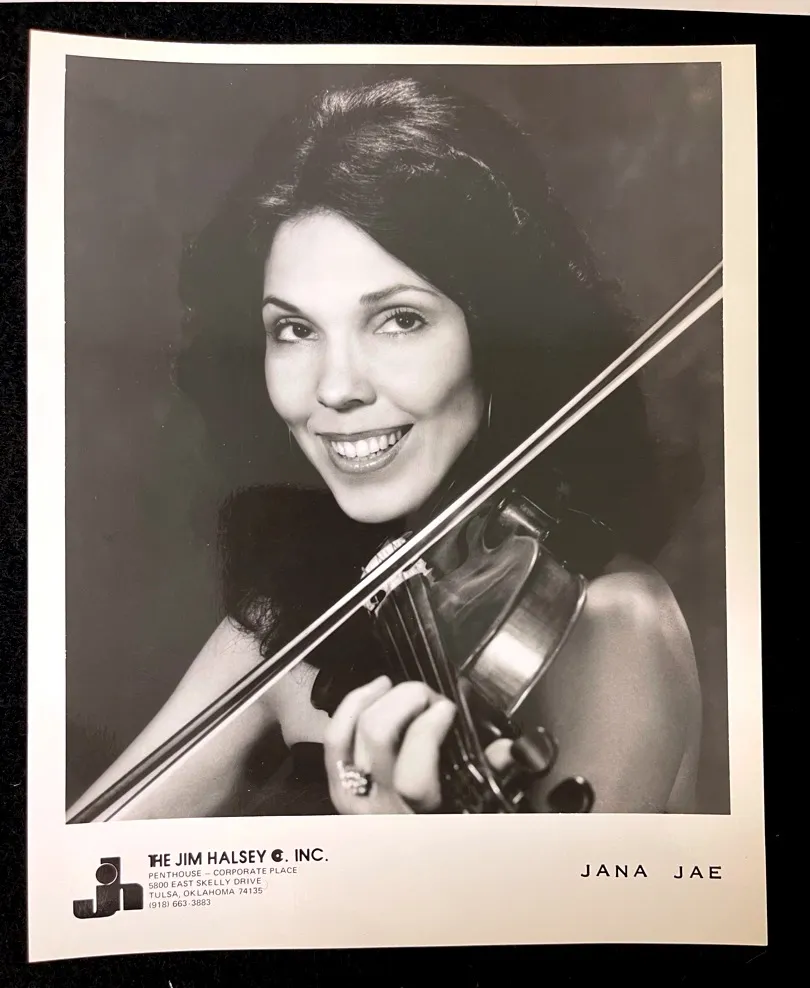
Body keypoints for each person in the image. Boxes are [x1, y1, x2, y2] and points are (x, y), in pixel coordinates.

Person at [68, 75, 703, 821]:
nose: (335, 388)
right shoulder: (303, 612)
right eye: (294, 330)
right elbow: (83, 856)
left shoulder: (616, 624)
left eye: (399, 320)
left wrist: (404, 844)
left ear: (500, 340)